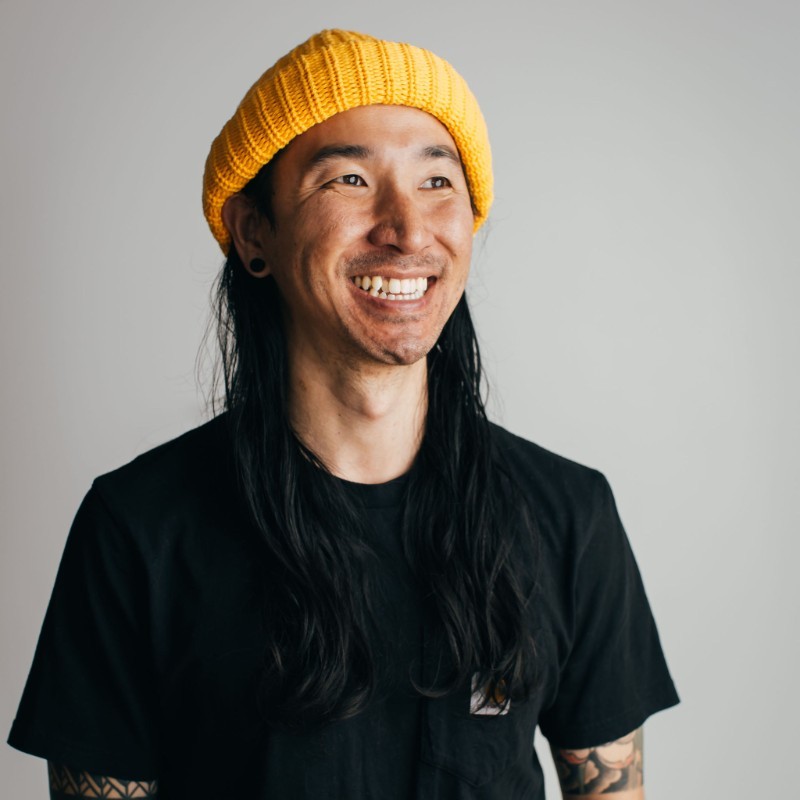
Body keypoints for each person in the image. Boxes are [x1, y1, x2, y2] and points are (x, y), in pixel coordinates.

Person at [8, 29, 678, 799]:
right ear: (254, 233)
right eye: (350, 180)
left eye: (437, 181)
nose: (408, 229)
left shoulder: (568, 516)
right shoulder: (138, 531)